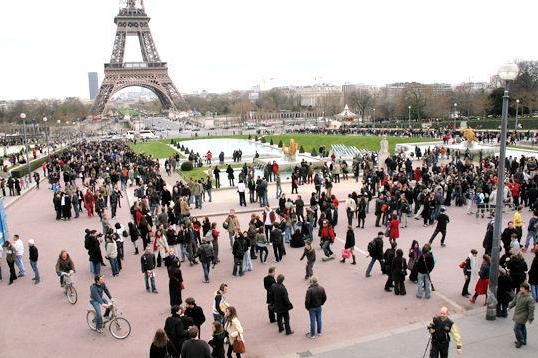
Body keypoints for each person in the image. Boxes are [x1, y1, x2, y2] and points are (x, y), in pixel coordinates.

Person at [508, 282, 535, 348]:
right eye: (520, 288)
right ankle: (524, 340)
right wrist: (510, 306)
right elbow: (514, 300)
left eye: (522, 288)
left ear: (526, 289)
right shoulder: (519, 293)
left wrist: (531, 318)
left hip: (522, 316)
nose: (520, 289)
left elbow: (531, 310)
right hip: (518, 313)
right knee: (522, 328)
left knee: (516, 328)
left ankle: (520, 341)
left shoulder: (530, 299)